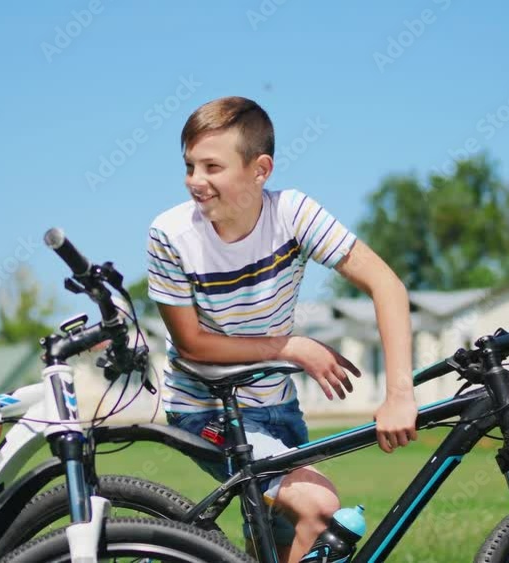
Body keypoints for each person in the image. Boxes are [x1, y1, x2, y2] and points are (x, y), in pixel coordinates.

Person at [147, 96, 418, 563]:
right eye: (190, 165)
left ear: (260, 169)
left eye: (212, 166)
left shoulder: (292, 215)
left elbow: (386, 284)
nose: (196, 181)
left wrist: (399, 393)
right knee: (320, 509)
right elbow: (191, 344)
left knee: (275, 546)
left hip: (279, 410)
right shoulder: (171, 234)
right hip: (207, 409)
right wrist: (291, 348)